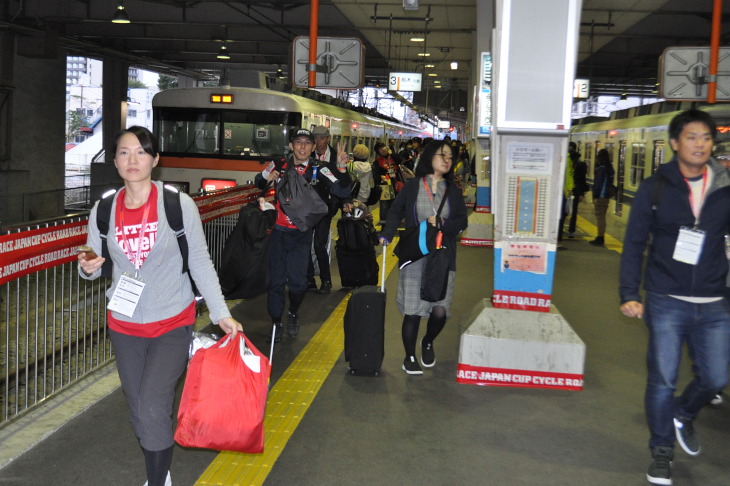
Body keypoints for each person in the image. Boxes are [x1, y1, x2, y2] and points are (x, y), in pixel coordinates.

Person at [77, 126, 243, 486]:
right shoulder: (103, 209)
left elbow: (199, 261)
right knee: (139, 410)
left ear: (155, 159)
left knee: (152, 404)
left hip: (172, 321)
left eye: (141, 152)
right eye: (124, 152)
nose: (132, 160)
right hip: (124, 325)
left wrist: (221, 313)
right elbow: (91, 261)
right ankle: (160, 466)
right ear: (115, 160)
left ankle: (155, 482)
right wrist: (87, 268)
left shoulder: (176, 204)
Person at [619, 109, 730, 486]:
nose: (700, 144)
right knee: (662, 379)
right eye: (692, 137)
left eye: (706, 138)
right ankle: (662, 451)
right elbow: (634, 242)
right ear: (674, 143)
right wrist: (629, 292)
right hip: (666, 297)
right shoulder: (656, 186)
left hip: (714, 302)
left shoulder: (724, 188)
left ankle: (684, 413)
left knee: (716, 377)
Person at [378, 140, 468, 375]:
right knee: (414, 310)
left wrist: (444, 224)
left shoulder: (454, 191)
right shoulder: (413, 186)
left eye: (450, 157)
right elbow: (397, 210)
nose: (447, 160)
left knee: (440, 311)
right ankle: (409, 357)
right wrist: (386, 235)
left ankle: (427, 341)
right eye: (442, 155)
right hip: (416, 254)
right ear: (429, 157)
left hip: (442, 256)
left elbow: (462, 221)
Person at [255, 129, 350, 341]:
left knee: (299, 283)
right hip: (278, 233)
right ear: (291, 146)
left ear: (314, 147)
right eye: (298, 142)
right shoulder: (279, 165)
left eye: (307, 143)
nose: (303, 146)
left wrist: (343, 170)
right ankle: (276, 321)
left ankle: (293, 313)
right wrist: (266, 179)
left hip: (301, 235)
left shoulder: (320, 168)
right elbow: (257, 181)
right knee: (277, 282)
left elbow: (343, 191)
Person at [306, 125, 342, 294]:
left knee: (319, 244)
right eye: (316, 139)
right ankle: (309, 280)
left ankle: (326, 280)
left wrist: (335, 206)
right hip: (306, 209)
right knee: (305, 245)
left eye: (321, 138)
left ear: (328, 138)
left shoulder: (336, 157)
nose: (318, 142)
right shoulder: (305, 155)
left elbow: (341, 183)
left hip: (325, 208)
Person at [372, 141, 406, 232]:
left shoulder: (394, 158)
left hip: (397, 185)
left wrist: (392, 154)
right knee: (384, 206)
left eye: (383, 147)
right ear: (378, 152)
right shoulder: (377, 162)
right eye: (380, 149)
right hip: (385, 187)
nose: (383, 149)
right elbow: (375, 175)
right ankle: (384, 226)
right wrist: (380, 177)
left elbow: (400, 160)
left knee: (398, 204)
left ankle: (397, 223)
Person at [590, 149, 614, 246]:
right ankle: (600, 237)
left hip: (601, 196)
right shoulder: (609, 167)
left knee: (600, 217)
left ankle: (600, 238)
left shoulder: (601, 168)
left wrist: (595, 195)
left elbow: (599, 183)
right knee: (602, 217)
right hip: (606, 197)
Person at [567, 142, 589, 237]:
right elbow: (582, 180)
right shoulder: (580, 164)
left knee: (564, 210)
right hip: (576, 190)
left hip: (566, 189)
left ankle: (560, 229)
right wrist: (582, 193)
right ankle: (571, 230)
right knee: (574, 210)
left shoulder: (565, 160)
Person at [557, 141, 575, 247]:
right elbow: (569, 174)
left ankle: (557, 239)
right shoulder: (567, 158)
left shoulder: (567, 158)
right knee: (560, 216)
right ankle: (556, 239)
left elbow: (569, 174)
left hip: (561, 192)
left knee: (560, 216)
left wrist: (569, 188)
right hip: (559, 191)